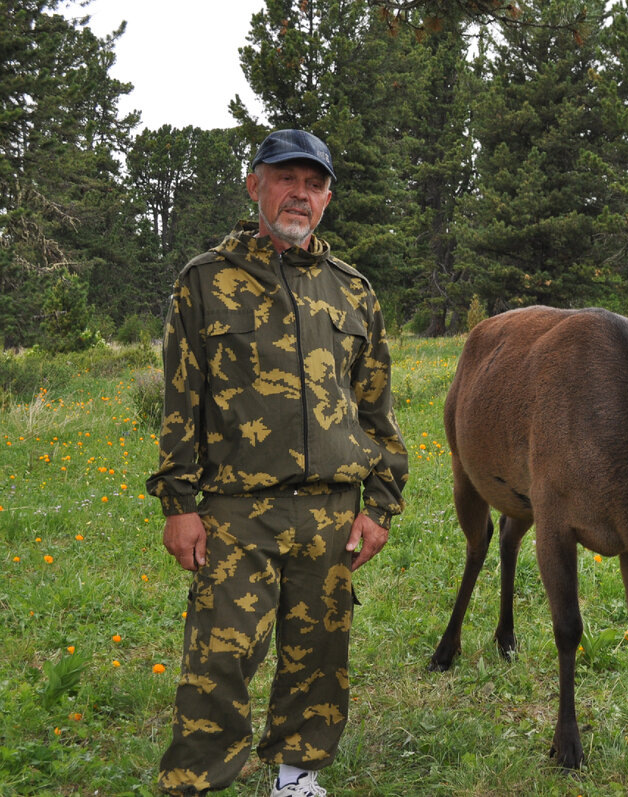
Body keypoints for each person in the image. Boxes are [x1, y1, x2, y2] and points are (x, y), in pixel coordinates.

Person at [146, 129, 408, 797]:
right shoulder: (205, 281)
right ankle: (198, 780)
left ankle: (296, 776)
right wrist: (179, 505)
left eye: (314, 183)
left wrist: (379, 504)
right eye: (287, 177)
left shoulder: (352, 291)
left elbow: (375, 408)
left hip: (332, 511)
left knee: (317, 657)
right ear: (253, 184)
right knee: (219, 655)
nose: (301, 193)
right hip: (238, 509)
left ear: (326, 199)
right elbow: (182, 400)